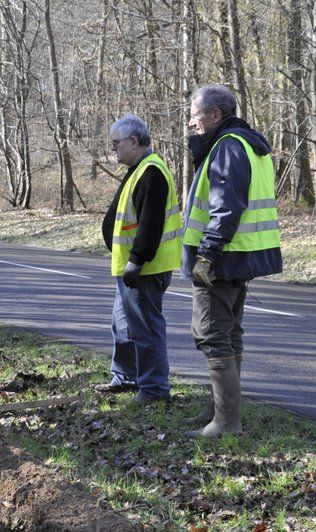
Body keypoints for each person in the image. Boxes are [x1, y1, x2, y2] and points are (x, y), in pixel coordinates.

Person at [182, 84, 282, 438]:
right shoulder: (249, 145)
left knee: (211, 335)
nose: (192, 123)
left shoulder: (227, 146)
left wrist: (207, 254)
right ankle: (220, 413)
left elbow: (226, 207)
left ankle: (225, 422)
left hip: (221, 258)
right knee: (229, 334)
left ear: (215, 115)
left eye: (195, 116)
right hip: (242, 254)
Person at [94, 115, 183, 404]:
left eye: (116, 143)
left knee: (145, 328)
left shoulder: (151, 172)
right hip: (131, 267)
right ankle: (125, 377)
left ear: (134, 141)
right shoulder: (138, 169)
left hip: (145, 268)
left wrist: (137, 260)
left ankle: (154, 390)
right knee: (122, 325)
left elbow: (151, 223)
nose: (113, 149)